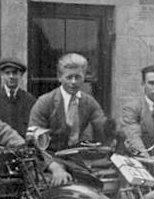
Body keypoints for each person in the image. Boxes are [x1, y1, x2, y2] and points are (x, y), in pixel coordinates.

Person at [27, 53, 108, 184]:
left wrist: (115, 137)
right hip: (45, 161)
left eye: (78, 77)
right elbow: (34, 142)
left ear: (84, 77)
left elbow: (103, 127)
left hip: (74, 160)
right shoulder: (45, 102)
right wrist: (55, 168)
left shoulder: (89, 102)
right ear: (60, 77)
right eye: (69, 77)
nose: (73, 82)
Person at [0, 56, 37, 136]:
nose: (11, 76)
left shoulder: (30, 100)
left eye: (15, 73)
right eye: (7, 73)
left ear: (21, 75)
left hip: (22, 146)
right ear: (2, 75)